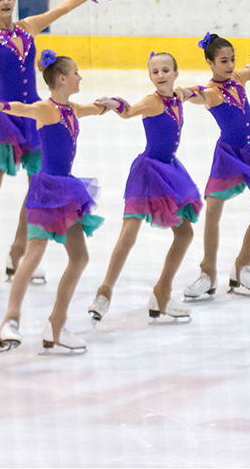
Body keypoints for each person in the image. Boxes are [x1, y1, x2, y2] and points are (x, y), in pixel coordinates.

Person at [0, 0, 112, 285]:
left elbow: (58, 11)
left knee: (37, 183)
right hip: (3, 114)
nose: (6, 2)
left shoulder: (28, 26)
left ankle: (18, 253)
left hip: (36, 115)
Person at [0, 50, 106, 352]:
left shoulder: (70, 108)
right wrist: (2, 106)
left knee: (79, 257)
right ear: (61, 79)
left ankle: (56, 326)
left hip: (66, 191)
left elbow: (92, 108)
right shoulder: (47, 109)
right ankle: (10, 321)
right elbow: (24, 108)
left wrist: (111, 105)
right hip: (47, 190)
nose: (80, 76)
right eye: (76, 72)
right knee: (33, 254)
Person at [87, 52, 202, 322]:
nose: (160, 76)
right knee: (129, 234)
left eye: (165, 70)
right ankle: (104, 292)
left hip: (170, 172)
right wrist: (113, 102)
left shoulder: (179, 96)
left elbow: (197, 92)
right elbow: (128, 111)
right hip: (148, 173)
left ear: (176, 73)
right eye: (155, 72)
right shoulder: (152, 101)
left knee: (185, 235)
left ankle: (162, 293)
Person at [178, 33, 250, 299]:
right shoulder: (212, 93)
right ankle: (208, 272)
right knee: (213, 209)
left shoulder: (238, 78)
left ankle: (242, 265)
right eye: (223, 61)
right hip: (229, 156)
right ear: (210, 63)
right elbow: (196, 94)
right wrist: (180, 92)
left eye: (232, 59)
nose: (229, 65)